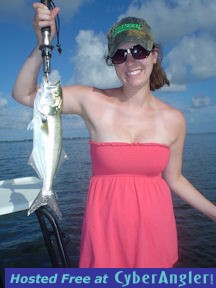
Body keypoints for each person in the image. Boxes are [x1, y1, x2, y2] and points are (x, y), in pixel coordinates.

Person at [12, 2, 216, 268]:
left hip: (156, 233)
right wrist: (40, 46)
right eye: (120, 55)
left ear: (154, 55)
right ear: (113, 63)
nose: (130, 61)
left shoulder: (174, 119)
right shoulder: (91, 100)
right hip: (104, 232)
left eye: (139, 50)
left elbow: (175, 179)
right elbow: (24, 94)